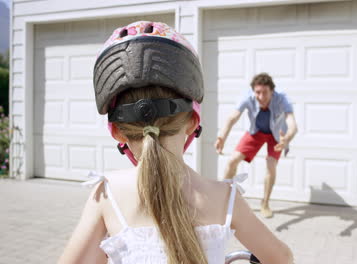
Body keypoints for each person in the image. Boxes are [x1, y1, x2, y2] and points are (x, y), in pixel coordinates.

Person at [57, 21, 293, 264]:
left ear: (117, 131)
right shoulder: (225, 197)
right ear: (192, 122)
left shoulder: (107, 195)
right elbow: (282, 258)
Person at [215, 73, 298, 218]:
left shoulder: (282, 99)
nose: (261, 96)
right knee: (232, 161)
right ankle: (225, 198)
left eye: (265, 92)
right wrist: (222, 137)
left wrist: (287, 139)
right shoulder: (248, 97)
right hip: (256, 131)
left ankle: (265, 203)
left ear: (272, 91)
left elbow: (292, 124)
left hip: (277, 134)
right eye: (257, 92)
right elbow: (233, 117)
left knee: (271, 165)